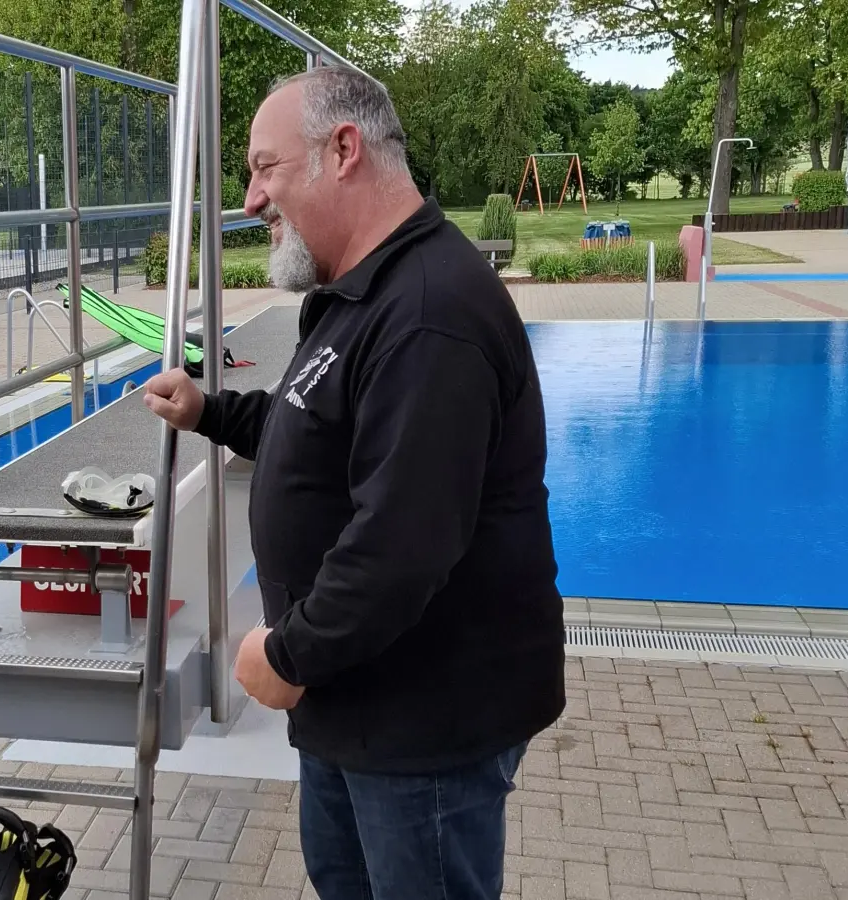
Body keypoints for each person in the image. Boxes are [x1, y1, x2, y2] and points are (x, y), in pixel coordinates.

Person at [142, 64, 565, 900]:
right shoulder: (358, 292)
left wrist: (289, 654)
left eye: (265, 168)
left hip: (423, 723)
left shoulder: (429, 316)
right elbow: (315, 437)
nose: (252, 199)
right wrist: (210, 412)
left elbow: (402, 545)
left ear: (343, 151)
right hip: (355, 703)